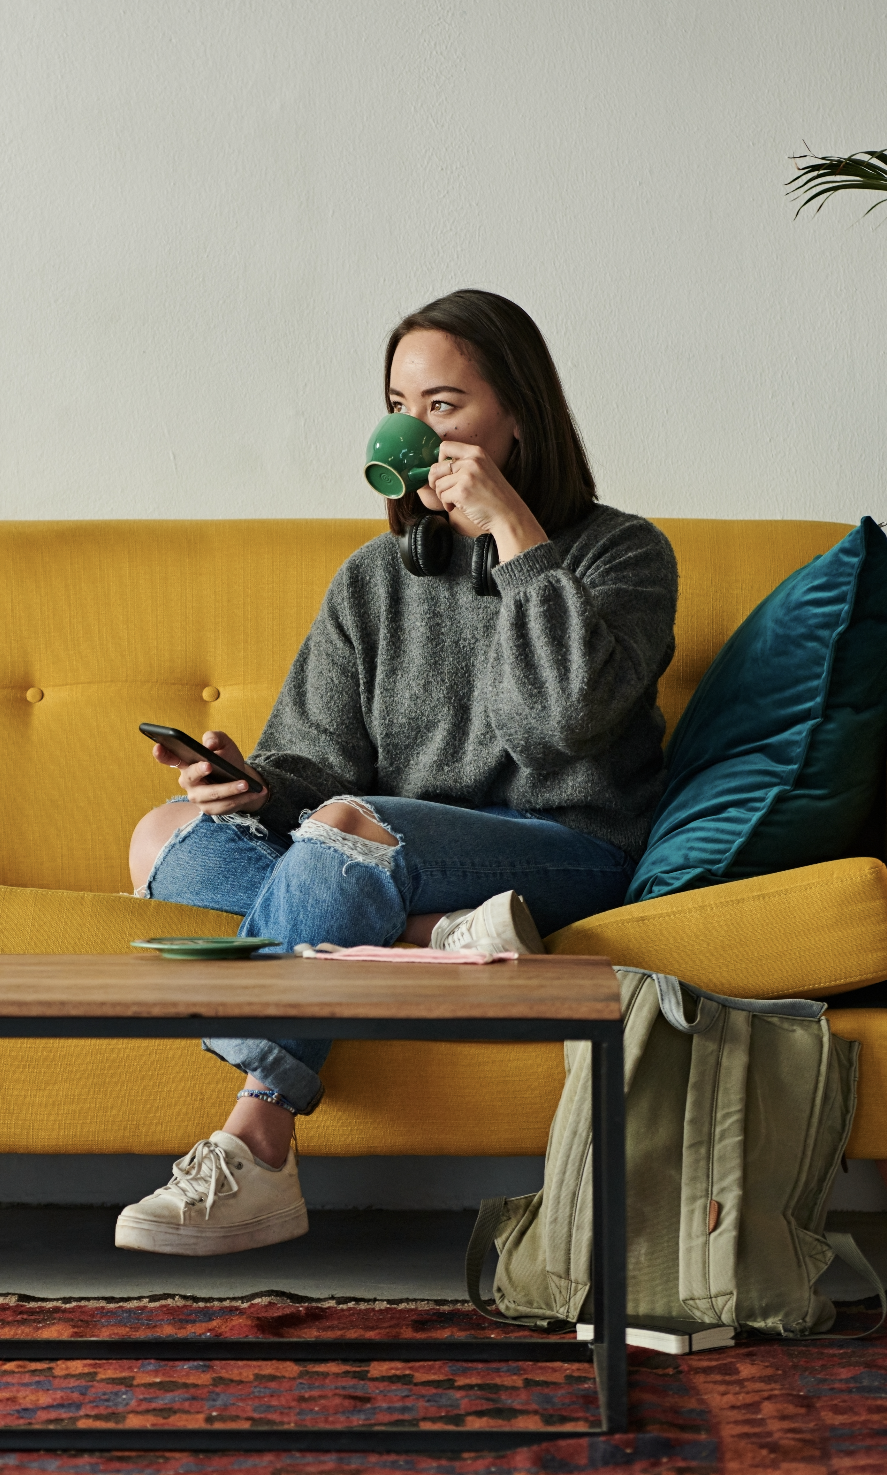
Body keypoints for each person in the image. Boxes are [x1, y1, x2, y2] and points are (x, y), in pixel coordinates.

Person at [114, 289, 679, 1256]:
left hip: (568, 846)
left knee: (350, 831)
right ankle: (441, 937)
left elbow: (565, 722)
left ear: (518, 416)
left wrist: (519, 543)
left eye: (443, 406)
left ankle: (258, 1140)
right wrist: (255, 787)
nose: (413, 430)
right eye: (399, 404)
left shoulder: (621, 554)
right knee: (163, 836)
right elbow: (312, 760)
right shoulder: (374, 579)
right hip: (383, 848)